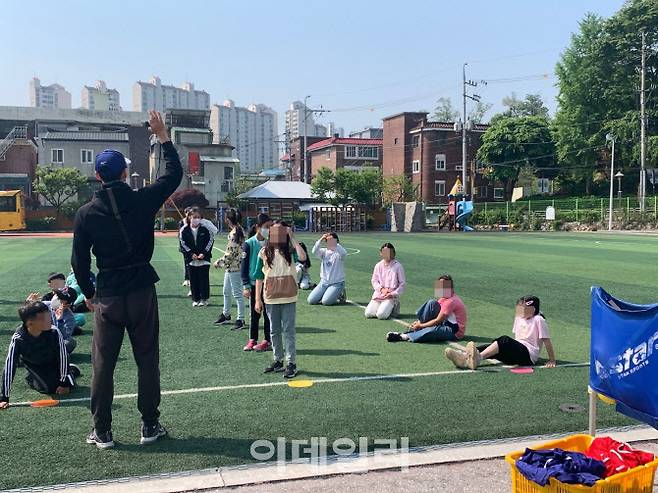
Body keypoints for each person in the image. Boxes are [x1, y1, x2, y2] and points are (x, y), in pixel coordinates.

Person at [71, 110, 182, 449]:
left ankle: (102, 431)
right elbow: (173, 173)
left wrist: (89, 293)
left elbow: (78, 261)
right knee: (147, 359)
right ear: (124, 172)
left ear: (97, 176)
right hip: (140, 290)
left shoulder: (86, 212)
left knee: (103, 364)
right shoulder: (141, 199)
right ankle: (149, 425)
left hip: (108, 293)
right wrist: (162, 135)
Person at [0, 302, 80, 411]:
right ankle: (32, 378)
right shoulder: (18, 338)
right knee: (49, 388)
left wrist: (64, 383)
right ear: (30, 323)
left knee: (63, 386)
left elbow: (63, 356)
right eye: (43, 318)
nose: (49, 320)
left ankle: (72, 371)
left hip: (54, 362)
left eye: (48, 315)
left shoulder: (54, 331)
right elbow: (10, 366)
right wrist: (4, 397)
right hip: (35, 365)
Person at [445, 296, 557, 370]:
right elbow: (518, 338)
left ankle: (477, 359)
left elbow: (546, 340)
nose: (520, 311)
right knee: (495, 345)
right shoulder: (519, 317)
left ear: (533, 309)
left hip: (528, 356)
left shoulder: (539, 319)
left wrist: (552, 359)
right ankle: (463, 358)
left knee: (504, 340)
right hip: (518, 352)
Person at [254, 223, 307, 378]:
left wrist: (292, 237)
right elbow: (258, 277)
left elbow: (303, 257)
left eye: (280, 230)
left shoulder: (290, 250)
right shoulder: (264, 252)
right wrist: (257, 300)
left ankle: (291, 363)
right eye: (274, 230)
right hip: (270, 297)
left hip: (289, 296)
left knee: (289, 331)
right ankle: (278, 360)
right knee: (274, 331)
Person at [387, 274, 467, 343]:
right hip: (445, 323)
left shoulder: (451, 301)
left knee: (433, 330)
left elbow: (437, 320)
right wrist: (419, 322)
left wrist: (421, 326)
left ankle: (404, 336)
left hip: (454, 331)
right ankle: (417, 328)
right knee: (431, 303)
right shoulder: (444, 297)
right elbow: (433, 311)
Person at [241, 213, 273, 352]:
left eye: (271, 227)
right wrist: (246, 286)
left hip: (269, 284)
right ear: (257, 228)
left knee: (268, 314)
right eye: (267, 227)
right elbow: (244, 266)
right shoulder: (249, 244)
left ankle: (267, 340)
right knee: (254, 314)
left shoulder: (272, 243)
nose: (269, 229)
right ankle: (252, 339)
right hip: (254, 284)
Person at [214, 208, 246, 329]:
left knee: (237, 294)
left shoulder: (235, 233)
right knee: (226, 291)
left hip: (235, 267)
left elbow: (230, 253)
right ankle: (226, 314)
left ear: (227, 220)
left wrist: (219, 262)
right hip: (232, 267)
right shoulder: (239, 230)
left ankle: (240, 319)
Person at [180, 207, 214, 307]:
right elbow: (183, 243)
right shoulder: (184, 230)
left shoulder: (205, 229)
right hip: (191, 259)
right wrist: (191, 254)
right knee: (193, 280)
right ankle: (195, 299)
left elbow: (210, 241)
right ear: (189, 217)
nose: (196, 219)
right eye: (194, 217)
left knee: (204, 279)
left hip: (204, 259)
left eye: (199, 217)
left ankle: (204, 299)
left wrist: (204, 253)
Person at [365, 243, 405, 320]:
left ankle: (394, 306)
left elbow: (402, 284)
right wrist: (381, 289)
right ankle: (383, 307)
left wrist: (393, 294)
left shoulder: (398, 266)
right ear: (381, 253)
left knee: (381, 315)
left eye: (390, 253)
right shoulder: (378, 265)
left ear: (394, 253)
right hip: (379, 294)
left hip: (391, 296)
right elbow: (374, 280)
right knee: (368, 314)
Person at [307, 232, 347, 306]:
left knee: (326, 302)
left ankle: (340, 293)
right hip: (324, 282)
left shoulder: (339, 252)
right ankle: (329, 293)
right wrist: (321, 239)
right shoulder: (324, 251)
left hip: (337, 283)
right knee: (311, 300)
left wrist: (335, 243)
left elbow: (344, 253)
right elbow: (314, 251)